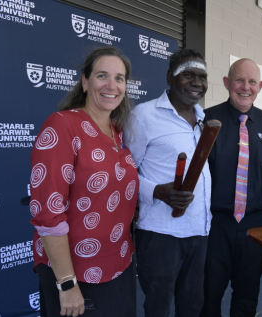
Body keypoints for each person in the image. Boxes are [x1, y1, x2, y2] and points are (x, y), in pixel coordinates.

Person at [29, 47, 138, 316]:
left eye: (120, 78)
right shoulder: (62, 126)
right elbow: (47, 213)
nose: (112, 85)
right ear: (85, 81)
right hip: (76, 276)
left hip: (120, 266)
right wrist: (67, 284)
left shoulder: (118, 131)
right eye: (102, 75)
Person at [124, 48, 211, 317]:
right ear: (169, 77)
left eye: (202, 76)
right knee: (158, 307)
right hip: (161, 233)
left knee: (192, 306)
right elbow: (123, 174)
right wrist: (156, 191)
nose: (197, 83)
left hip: (199, 230)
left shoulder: (204, 119)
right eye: (188, 75)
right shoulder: (144, 116)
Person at [201, 58, 262, 317]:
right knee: (208, 294)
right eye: (239, 80)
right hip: (215, 225)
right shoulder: (207, 119)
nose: (246, 87)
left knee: (247, 296)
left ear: (260, 86)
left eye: (252, 82)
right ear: (226, 83)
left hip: (255, 226)